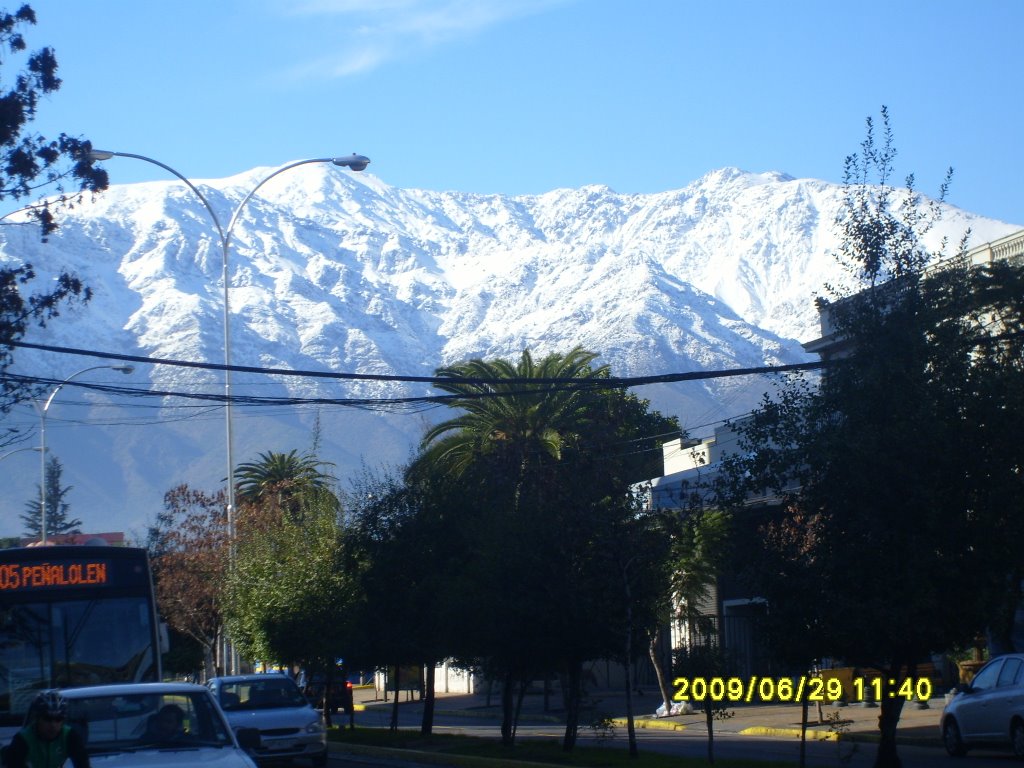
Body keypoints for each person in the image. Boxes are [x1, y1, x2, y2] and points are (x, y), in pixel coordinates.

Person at [3, 690, 90, 768]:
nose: (53, 725)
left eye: (58, 719)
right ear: (37, 719)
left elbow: (83, 764)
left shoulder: (70, 736)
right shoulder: (23, 740)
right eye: (47, 719)